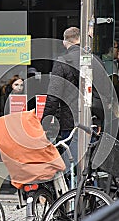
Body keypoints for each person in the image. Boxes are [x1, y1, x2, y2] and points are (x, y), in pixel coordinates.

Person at [41, 27, 111, 170]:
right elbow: (106, 92)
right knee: (89, 165)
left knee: (71, 165)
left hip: (70, 121)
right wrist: (99, 118)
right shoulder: (95, 60)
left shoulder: (63, 61)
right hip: (93, 120)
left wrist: (45, 122)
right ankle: (91, 190)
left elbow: (53, 96)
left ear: (64, 42)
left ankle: (73, 191)